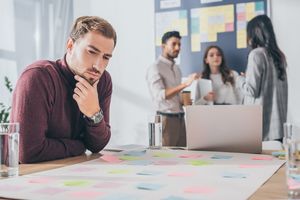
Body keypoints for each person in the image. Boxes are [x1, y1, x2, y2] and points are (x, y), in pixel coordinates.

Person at [10, 16, 117, 163]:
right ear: (70, 46)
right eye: (92, 52)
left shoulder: (103, 81)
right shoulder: (38, 77)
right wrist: (80, 146)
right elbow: (29, 152)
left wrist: (94, 114)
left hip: (72, 172)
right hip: (29, 176)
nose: (98, 65)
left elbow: (97, 145)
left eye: (106, 57)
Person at [236, 15, 288, 141]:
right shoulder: (279, 56)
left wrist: (240, 79)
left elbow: (251, 90)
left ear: (254, 34)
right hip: (279, 126)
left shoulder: (256, 54)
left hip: (261, 128)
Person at [146, 31, 198, 147]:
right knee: (166, 159)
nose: (177, 47)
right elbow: (160, 95)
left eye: (179, 45)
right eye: (174, 44)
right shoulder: (155, 68)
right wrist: (185, 84)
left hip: (180, 118)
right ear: (163, 46)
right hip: (166, 119)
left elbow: (175, 95)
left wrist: (186, 101)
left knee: (183, 157)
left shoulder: (177, 69)